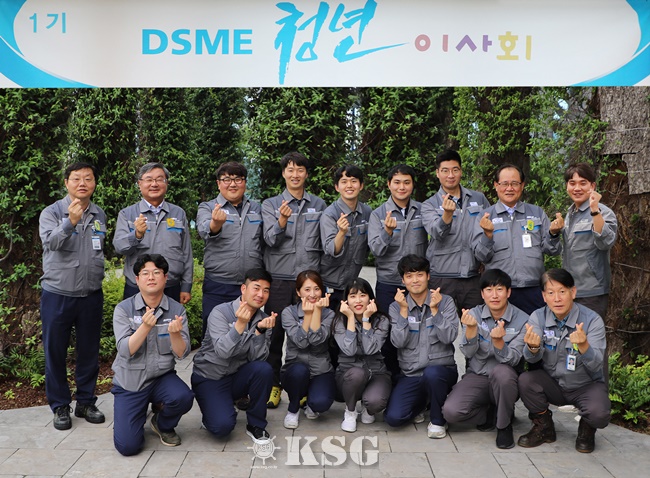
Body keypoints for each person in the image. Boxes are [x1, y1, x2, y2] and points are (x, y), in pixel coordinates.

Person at [39, 162, 107, 430]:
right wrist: (70, 222)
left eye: (88, 178)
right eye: (76, 178)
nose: (82, 183)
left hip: (91, 294)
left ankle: (86, 402)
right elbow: (50, 243)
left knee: (89, 351)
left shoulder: (99, 213)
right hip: (58, 294)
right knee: (55, 352)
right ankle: (60, 405)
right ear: (66, 182)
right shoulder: (52, 212)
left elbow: (99, 248)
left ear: (94, 183)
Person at [517, 268, 609, 453]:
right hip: (554, 383)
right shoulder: (538, 317)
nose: (557, 299)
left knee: (599, 413)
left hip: (585, 385)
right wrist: (533, 347)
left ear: (573, 292)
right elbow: (531, 358)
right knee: (526, 380)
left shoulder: (592, 320)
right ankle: (544, 427)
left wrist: (584, 345)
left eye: (562, 291)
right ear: (544, 296)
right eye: (551, 293)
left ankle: (587, 429)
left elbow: (597, 364)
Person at [111, 254, 194, 456]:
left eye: (157, 272)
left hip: (161, 378)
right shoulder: (123, 309)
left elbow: (182, 354)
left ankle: (162, 423)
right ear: (137, 279)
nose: (151, 277)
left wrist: (175, 334)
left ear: (165, 278)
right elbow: (125, 350)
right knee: (128, 447)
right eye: (145, 273)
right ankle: (136, 413)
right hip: (131, 381)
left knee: (183, 397)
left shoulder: (177, 310)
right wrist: (145, 327)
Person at [261, 152, 326, 408]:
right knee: (274, 335)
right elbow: (269, 240)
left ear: (306, 174)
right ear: (283, 174)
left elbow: (324, 242)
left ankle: (303, 386)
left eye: (300, 170)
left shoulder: (319, 205)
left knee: (309, 331)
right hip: (279, 280)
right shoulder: (270, 205)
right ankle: (273, 385)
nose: (295, 174)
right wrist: (281, 221)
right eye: (290, 170)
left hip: (308, 283)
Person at [442, 269, 528, 449]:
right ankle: (491, 412)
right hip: (478, 375)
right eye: (489, 290)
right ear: (482, 294)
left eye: (499, 289)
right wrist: (471, 331)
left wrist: (499, 343)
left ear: (508, 292)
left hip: (506, 380)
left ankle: (504, 426)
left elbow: (514, 359)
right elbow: (467, 353)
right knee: (451, 412)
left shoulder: (523, 320)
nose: (494, 295)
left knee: (502, 372)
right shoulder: (473, 314)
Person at [192, 268, 277, 445]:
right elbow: (223, 351)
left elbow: (257, 361)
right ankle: (212, 410)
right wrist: (240, 324)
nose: (260, 294)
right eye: (256, 288)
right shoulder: (220, 312)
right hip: (210, 377)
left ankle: (256, 424)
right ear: (243, 289)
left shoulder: (264, 319)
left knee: (264, 369)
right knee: (222, 427)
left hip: (236, 377)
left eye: (266, 290)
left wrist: (259, 332)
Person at [384, 255, 459, 439]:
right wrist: (403, 311)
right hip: (412, 374)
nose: (415, 280)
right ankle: (425, 402)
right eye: (409, 276)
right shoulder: (396, 307)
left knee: (432, 374)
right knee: (394, 418)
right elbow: (398, 342)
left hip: (441, 371)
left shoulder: (446, 302)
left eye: (419, 274)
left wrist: (435, 310)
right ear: (403, 280)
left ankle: (438, 420)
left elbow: (449, 337)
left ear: (428, 276)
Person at [474, 164, 562, 314]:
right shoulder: (485, 217)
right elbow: (481, 256)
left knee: (535, 327)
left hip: (534, 287)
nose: (509, 188)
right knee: (503, 328)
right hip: (500, 291)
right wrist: (487, 235)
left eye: (514, 183)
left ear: (522, 185)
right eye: (504, 184)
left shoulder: (536, 213)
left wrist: (553, 234)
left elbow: (552, 250)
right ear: (496, 185)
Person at [368, 164, 428, 378]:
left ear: (413, 185)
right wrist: (387, 232)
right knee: (389, 332)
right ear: (388, 184)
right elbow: (375, 249)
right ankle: (391, 381)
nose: (402, 187)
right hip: (389, 283)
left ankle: (416, 380)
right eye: (397, 182)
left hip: (418, 284)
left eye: (406, 182)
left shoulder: (423, 210)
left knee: (418, 331)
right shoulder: (377, 215)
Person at [196, 161, 264, 338]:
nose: (232, 184)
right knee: (213, 333)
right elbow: (204, 230)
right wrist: (215, 224)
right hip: (218, 284)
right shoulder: (208, 207)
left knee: (248, 333)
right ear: (218, 183)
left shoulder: (256, 208)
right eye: (226, 179)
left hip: (249, 285)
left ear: (245, 183)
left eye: (238, 179)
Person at [113, 162, 193, 304]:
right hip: (137, 288)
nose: (154, 184)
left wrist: (186, 286)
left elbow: (186, 252)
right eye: (149, 179)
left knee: (171, 319)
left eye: (159, 179)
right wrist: (136, 235)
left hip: (171, 286)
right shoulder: (127, 214)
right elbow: (120, 247)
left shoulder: (178, 213)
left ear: (166, 183)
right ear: (140, 184)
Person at [422, 149, 490, 312]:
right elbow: (436, 233)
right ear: (437, 173)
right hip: (442, 278)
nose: (450, 175)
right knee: (441, 324)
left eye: (455, 170)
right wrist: (447, 215)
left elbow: (489, 230)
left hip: (472, 277)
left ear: (461, 171)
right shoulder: (429, 204)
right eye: (445, 171)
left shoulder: (479, 199)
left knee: (474, 324)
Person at [332, 278, 391, 433]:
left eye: (362, 295)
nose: (358, 300)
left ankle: (368, 407)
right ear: (346, 300)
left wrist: (365, 319)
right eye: (352, 296)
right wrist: (351, 318)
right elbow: (349, 350)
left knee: (376, 402)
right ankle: (350, 411)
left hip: (376, 372)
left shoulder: (382, 320)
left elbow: (370, 349)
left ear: (370, 298)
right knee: (357, 373)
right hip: (348, 374)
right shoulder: (339, 320)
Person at [561, 162, 618, 319]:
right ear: (567, 186)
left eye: (583, 183)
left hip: (592, 291)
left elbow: (606, 243)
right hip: (569, 290)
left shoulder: (603, 212)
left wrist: (594, 211)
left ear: (592, 186)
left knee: (590, 333)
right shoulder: (570, 213)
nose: (577, 188)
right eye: (572, 183)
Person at [281, 270, 336, 429]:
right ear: (298, 292)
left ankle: (310, 402)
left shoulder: (329, 314)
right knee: (299, 372)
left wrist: (317, 311)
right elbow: (302, 343)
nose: (313, 294)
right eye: (307, 289)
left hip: (321, 369)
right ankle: (293, 409)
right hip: (295, 369)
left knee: (321, 403)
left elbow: (317, 340)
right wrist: (307, 315)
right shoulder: (289, 312)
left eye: (317, 289)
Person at [320, 165, 372, 307]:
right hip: (328, 284)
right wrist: (341, 233)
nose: (349, 185)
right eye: (344, 182)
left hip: (351, 285)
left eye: (354, 181)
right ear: (337, 187)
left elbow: (370, 246)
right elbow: (332, 250)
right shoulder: (330, 214)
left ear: (361, 185)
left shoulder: (367, 212)